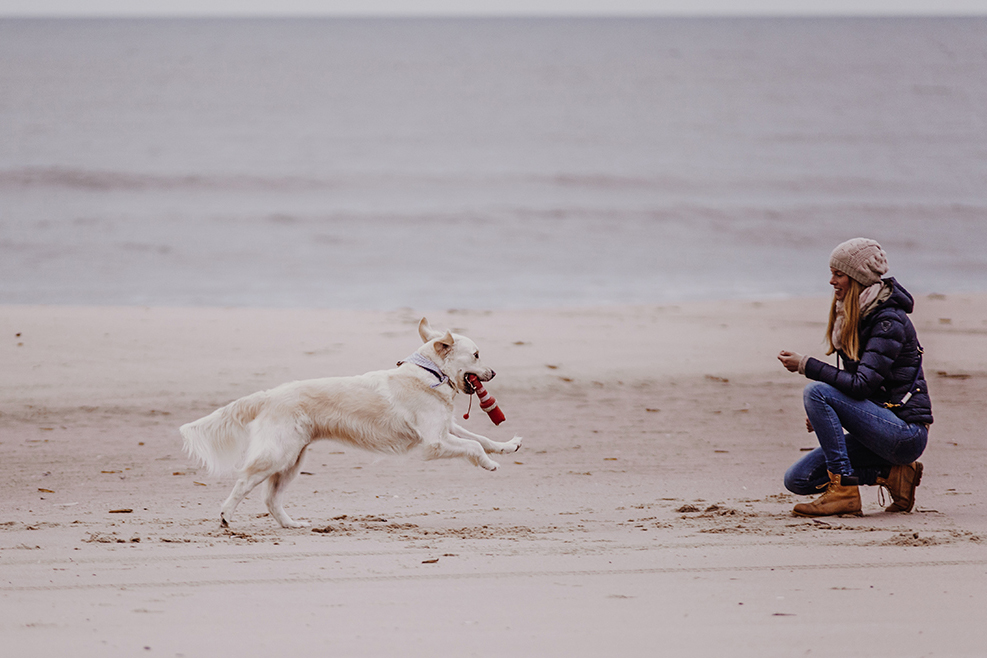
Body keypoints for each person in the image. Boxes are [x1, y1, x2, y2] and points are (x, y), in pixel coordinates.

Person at [778, 238, 932, 517]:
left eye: (838, 274)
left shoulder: (888, 321)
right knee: (798, 479)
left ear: (857, 277)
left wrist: (806, 365)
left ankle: (844, 490)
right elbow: (859, 389)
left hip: (906, 434)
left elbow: (862, 385)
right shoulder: (857, 317)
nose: (831, 281)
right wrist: (826, 413)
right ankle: (893, 474)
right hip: (879, 431)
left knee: (816, 391)